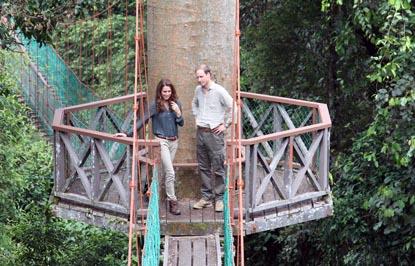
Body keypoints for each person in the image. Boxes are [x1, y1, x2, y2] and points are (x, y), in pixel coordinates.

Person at [116, 78, 184, 215]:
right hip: (161, 141)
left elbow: (181, 123)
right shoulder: (155, 105)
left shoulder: (176, 103)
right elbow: (142, 121)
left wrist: (178, 113)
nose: (167, 94)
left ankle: (150, 191)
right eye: (164, 91)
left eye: (169, 91)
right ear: (160, 91)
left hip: (174, 141)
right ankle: (173, 201)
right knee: (170, 172)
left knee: (164, 171)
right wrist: (127, 133)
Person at [191, 64, 234, 212]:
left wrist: (226, 124)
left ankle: (220, 198)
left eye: (201, 76)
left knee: (218, 166)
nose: (199, 79)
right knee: (203, 166)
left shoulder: (219, 91)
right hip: (201, 132)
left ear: (209, 75)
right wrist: (196, 116)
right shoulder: (198, 90)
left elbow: (233, 106)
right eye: (197, 77)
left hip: (215, 133)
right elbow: (194, 104)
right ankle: (206, 197)